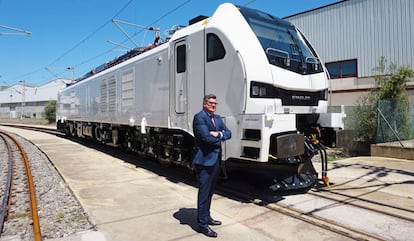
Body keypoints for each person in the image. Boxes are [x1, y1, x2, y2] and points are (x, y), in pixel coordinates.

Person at [192, 94, 231, 238]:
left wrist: (219, 134)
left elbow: (229, 133)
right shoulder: (199, 117)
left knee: (210, 192)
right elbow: (206, 138)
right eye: (211, 103)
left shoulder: (218, 118)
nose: (214, 105)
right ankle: (202, 225)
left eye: (215, 103)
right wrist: (217, 137)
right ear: (204, 104)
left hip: (215, 161)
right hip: (204, 162)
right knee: (203, 192)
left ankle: (207, 217)